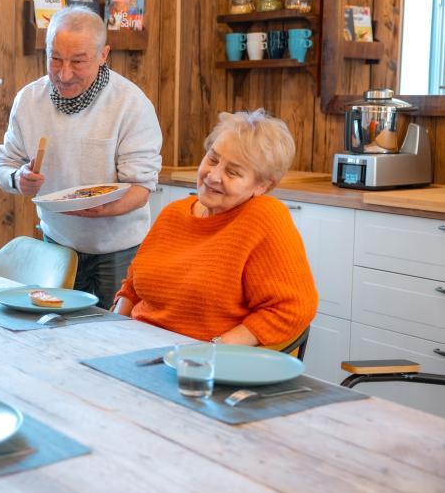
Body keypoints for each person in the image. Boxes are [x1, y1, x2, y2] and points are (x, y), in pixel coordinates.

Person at [0, 6, 162, 308]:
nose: (64, 73)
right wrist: (17, 179)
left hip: (118, 250)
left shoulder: (131, 104)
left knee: (111, 337)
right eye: (55, 59)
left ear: (103, 55)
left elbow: (141, 188)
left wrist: (102, 209)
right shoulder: (29, 100)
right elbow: (5, 163)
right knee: (54, 332)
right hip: (56, 247)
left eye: (78, 62)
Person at [115, 109, 318, 346]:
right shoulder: (174, 213)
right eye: (212, 159)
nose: (213, 176)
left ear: (262, 185)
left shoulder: (265, 218)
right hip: (133, 347)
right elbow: (132, 286)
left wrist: (215, 350)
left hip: (200, 364)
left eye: (232, 172)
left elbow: (293, 308)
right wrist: (114, 330)